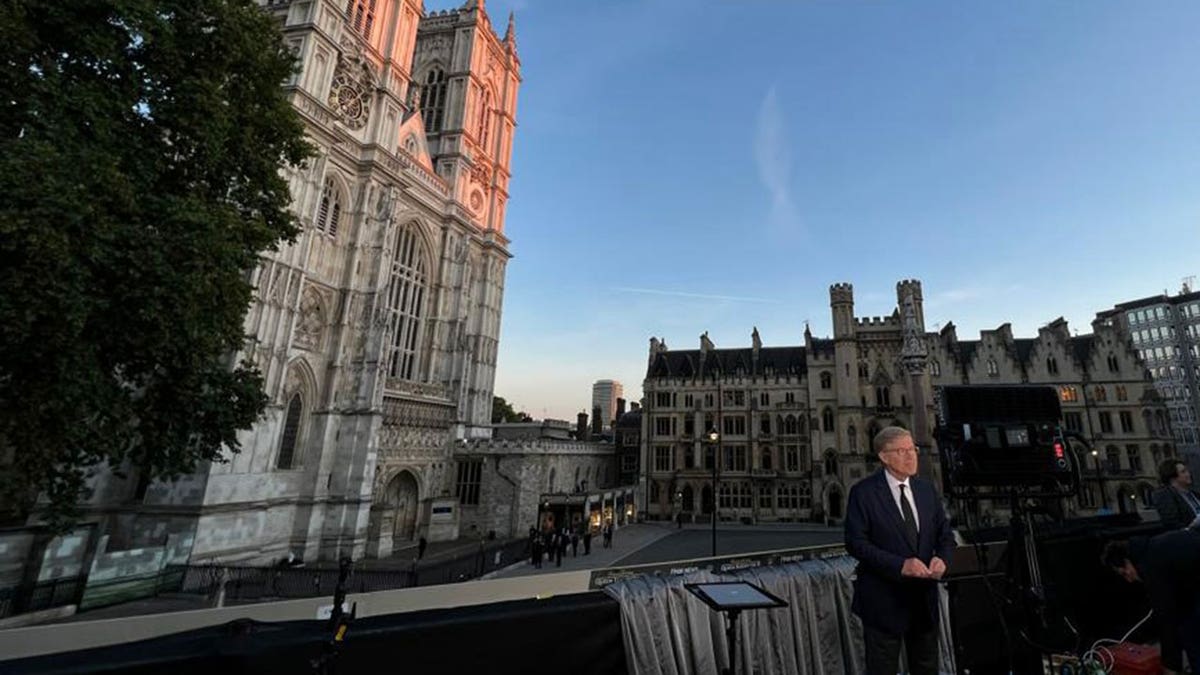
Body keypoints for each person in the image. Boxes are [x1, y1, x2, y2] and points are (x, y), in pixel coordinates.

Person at [845, 426, 954, 675]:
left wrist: (942, 559)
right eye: (902, 451)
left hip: (923, 601)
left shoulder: (926, 490)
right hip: (883, 601)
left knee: (926, 667)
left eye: (913, 449)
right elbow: (855, 543)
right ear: (884, 456)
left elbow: (945, 536)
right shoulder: (863, 493)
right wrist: (900, 565)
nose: (911, 456)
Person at [1103, 529, 1200, 674]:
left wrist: (1170, 667)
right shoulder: (1153, 548)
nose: (1129, 579)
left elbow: (1168, 621)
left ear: (1127, 561)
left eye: (1124, 573)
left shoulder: (1152, 567)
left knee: (1188, 631)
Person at [1151, 458, 1200, 531]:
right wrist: (1191, 526)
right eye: (1183, 472)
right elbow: (1172, 524)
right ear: (1172, 477)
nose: (1188, 474)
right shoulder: (1164, 495)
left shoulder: (1195, 494)